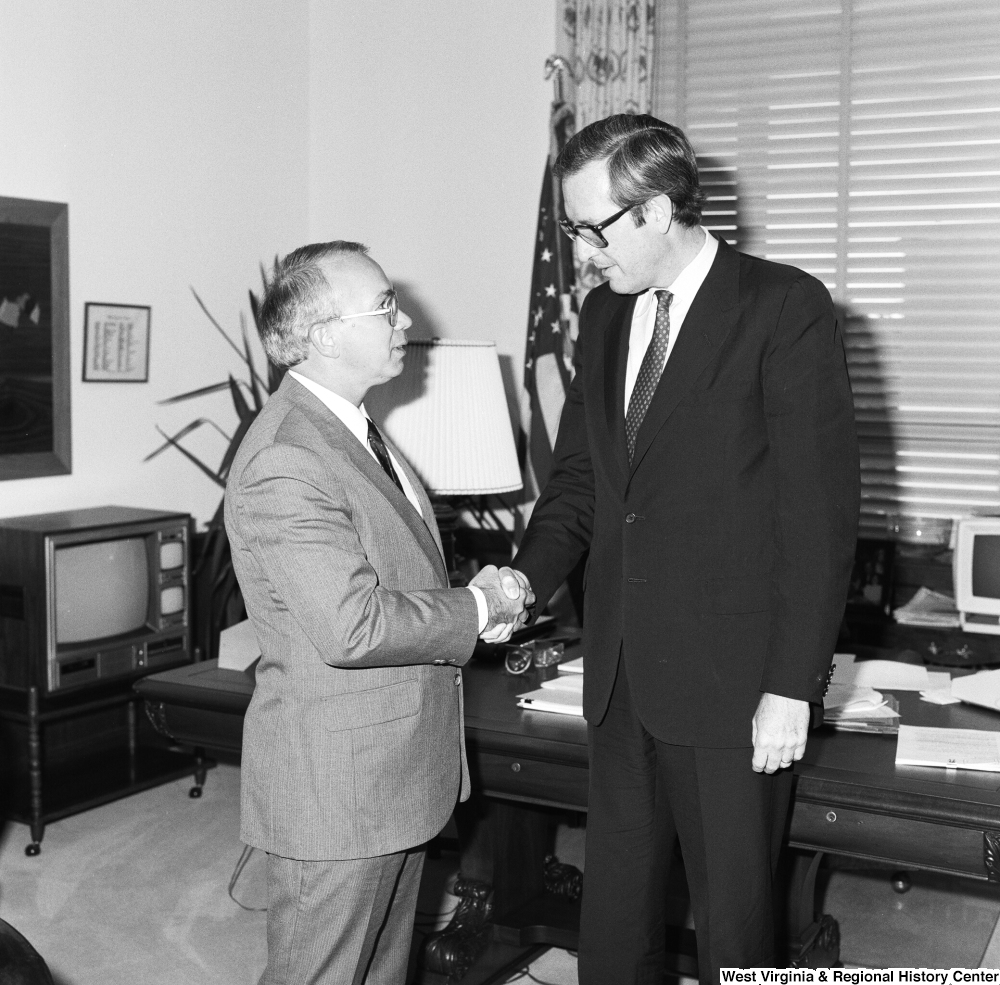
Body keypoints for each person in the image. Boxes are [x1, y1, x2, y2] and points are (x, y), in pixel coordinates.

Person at [510, 115, 860, 982]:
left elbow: (819, 518)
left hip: (736, 685)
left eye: (593, 229)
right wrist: (520, 579)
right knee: (615, 923)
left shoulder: (782, 306)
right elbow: (582, 488)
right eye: (573, 231)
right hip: (622, 674)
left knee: (735, 933)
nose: (584, 254)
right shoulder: (600, 316)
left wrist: (791, 686)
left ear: (658, 210)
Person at [225, 240, 531, 985]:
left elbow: (392, 565)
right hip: (337, 790)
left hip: (389, 776)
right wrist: (474, 605)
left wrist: (473, 606)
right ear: (327, 334)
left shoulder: (352, 428)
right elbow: (352, 624)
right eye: (385, 304)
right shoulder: (286, 455)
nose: (406, 318)